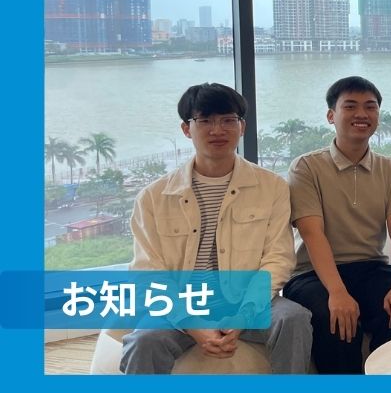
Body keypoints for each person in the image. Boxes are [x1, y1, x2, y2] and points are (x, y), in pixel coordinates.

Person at [121, 83, 311, 374]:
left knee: (293, 319)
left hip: (249, 301)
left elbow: (278, 258)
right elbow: (149, 272)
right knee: (143, 341)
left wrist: (243, 315)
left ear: (242, 126)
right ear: (187, 129)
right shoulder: (153, 197)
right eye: (205, 121)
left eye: (228, 120)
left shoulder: (271, 186)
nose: (217, 130)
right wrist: (191, 324)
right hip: (182, 304)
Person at [282, 76, 391, 374]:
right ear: (331, 115)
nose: (362, 114)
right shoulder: (306, 167)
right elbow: (312, 232)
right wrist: (337, 292)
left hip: (370, 266)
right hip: (312, 273)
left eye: (370, 107)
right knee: (333, 321)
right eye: (350, 106)